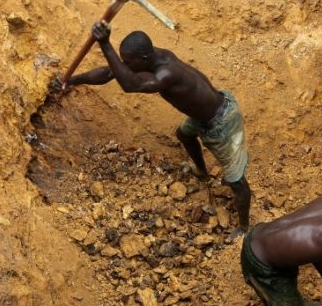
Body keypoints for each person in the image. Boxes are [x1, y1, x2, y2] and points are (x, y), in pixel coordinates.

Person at [52, 21, 251, 235]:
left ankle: (244, 227)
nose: (125, 64)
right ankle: (202, 172)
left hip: (222, 122)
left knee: (236, 181)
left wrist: (105, 44)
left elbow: (130, 85)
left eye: (129, 61)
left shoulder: (167, 73)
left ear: (144, 58)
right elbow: (110, 72)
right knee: (184, 135)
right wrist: (71, 81)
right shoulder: (153, 57)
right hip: (203, 116)